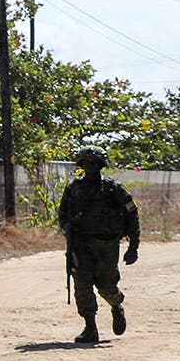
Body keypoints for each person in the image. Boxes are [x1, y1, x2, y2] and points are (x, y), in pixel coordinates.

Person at [56, 145, 141, 345]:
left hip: (107, 245)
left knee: (107, 287)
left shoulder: (113, 189)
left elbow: (132, 214)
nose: (90, 167)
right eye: (86, 163)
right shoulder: (74, 188)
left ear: (101, 164)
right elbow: (62, 214)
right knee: (82, 285)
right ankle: (90, 327)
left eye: (94, 163)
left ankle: (116, 305)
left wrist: (133, 246)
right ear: (81, 165)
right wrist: (67, 229)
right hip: (81, 244)